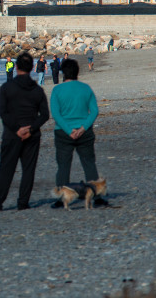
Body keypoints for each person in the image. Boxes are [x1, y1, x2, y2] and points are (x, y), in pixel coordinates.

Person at [0, 52, 50, 212]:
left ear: (17, 67)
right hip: (32, 134)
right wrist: (31, 128)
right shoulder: (37, 90)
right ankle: (23, 202)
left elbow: (3, 112)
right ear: (30, 69)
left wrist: (17, 129)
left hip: (12, 134)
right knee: (28, 169)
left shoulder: (7, 87)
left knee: (6, 167)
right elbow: (45, 115)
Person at [49, 59, 106, 208]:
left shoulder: (57, 90)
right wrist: (82, 128)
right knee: (89, 164)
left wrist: (69, 130)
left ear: (63, 73)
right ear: (77, 72)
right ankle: (97, 195)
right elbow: (94, 111)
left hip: (63, 132)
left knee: (63, 166)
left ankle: (62, 196)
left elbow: (56, 113)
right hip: (84, 132)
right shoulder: (86, 88)